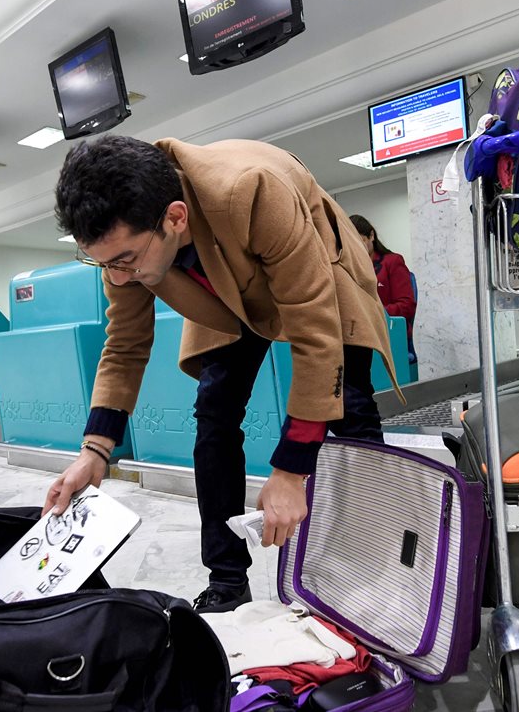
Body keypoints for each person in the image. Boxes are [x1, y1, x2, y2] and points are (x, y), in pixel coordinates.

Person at [43, 135, 399, 613]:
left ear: (175, 217)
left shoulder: (253, 191)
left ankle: (382, 558)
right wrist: (95, 451)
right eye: (105, 264)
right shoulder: (125, 249)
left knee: (349, 407)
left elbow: (316, 333)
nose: (119, 277)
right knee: (214, 413)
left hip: (318, 269)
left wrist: (290, 470)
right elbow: (124, 344)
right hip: (226, 292)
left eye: (125, 261)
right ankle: (227, 580)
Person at [349, 214, 417, 363]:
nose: (357, 247)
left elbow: (406, 306)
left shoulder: (392, 262)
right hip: (359, 336)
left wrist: (373, 314)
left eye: (361, 240)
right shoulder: (349, 269)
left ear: (371, 236)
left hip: (388, 334)